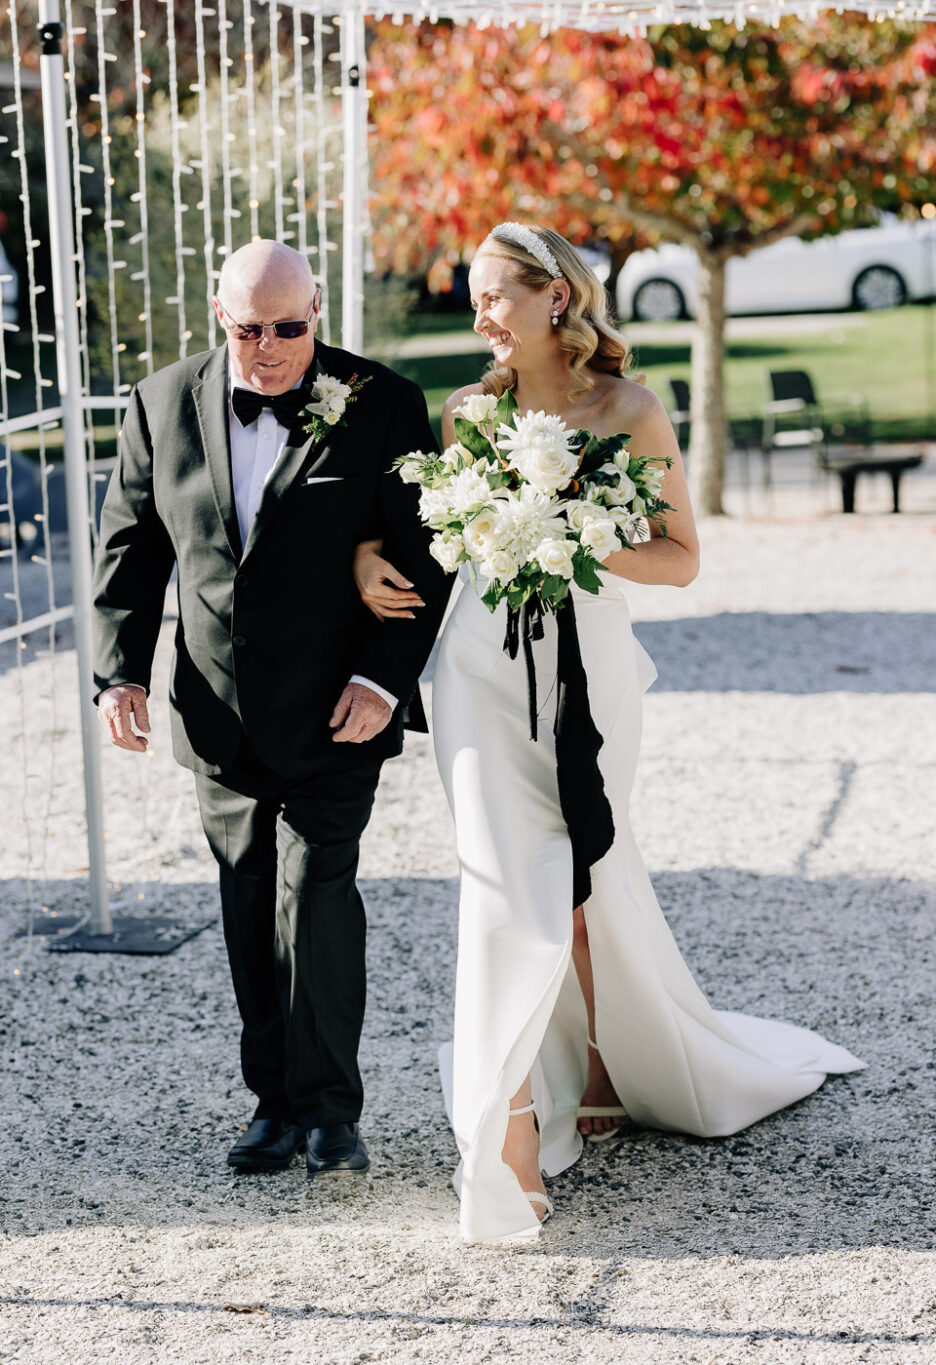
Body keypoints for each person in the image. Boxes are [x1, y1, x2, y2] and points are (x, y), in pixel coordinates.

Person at [353, 223, 865, 1244]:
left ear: (556, 298)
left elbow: (679, 559)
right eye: (476, 299)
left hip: (588, 675)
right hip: (480, 675)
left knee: (587, 882)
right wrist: (374, 549)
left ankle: (602, 1069)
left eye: (496, 295)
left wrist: (573, 532)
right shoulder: (469, 414)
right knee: (502, 884)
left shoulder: (627, 408)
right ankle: (506, 1131)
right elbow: (444, 539)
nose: (481, 315)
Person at [92, 240, 451, 1180]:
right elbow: (129, 552)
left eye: (288, 328)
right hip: (217, 713)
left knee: (318, 897)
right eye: (248, 329)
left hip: (339, 712)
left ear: (318, 313)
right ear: (220, 315)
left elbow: (422, 558)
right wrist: (117, 675)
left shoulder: (382, 406)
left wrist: (382, 683)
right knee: (249, 902)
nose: (268, 349)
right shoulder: (160, 403)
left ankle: (333, 1112)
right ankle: (273, 1105)